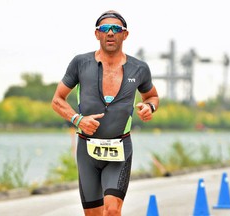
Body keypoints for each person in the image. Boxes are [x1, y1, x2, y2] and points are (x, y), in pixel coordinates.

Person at [51, 10, 159, 216]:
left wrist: (149, 107)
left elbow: (152, 96)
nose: (110, 33)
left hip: (119, 149)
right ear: (97, 34)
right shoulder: (80, 63)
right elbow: (57, 100)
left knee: (111, 210)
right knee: (93, 214)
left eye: (116, 29)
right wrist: (78, 119)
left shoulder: (139, 68)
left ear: (125, 35)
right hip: (87, 149)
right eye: (105, 29)